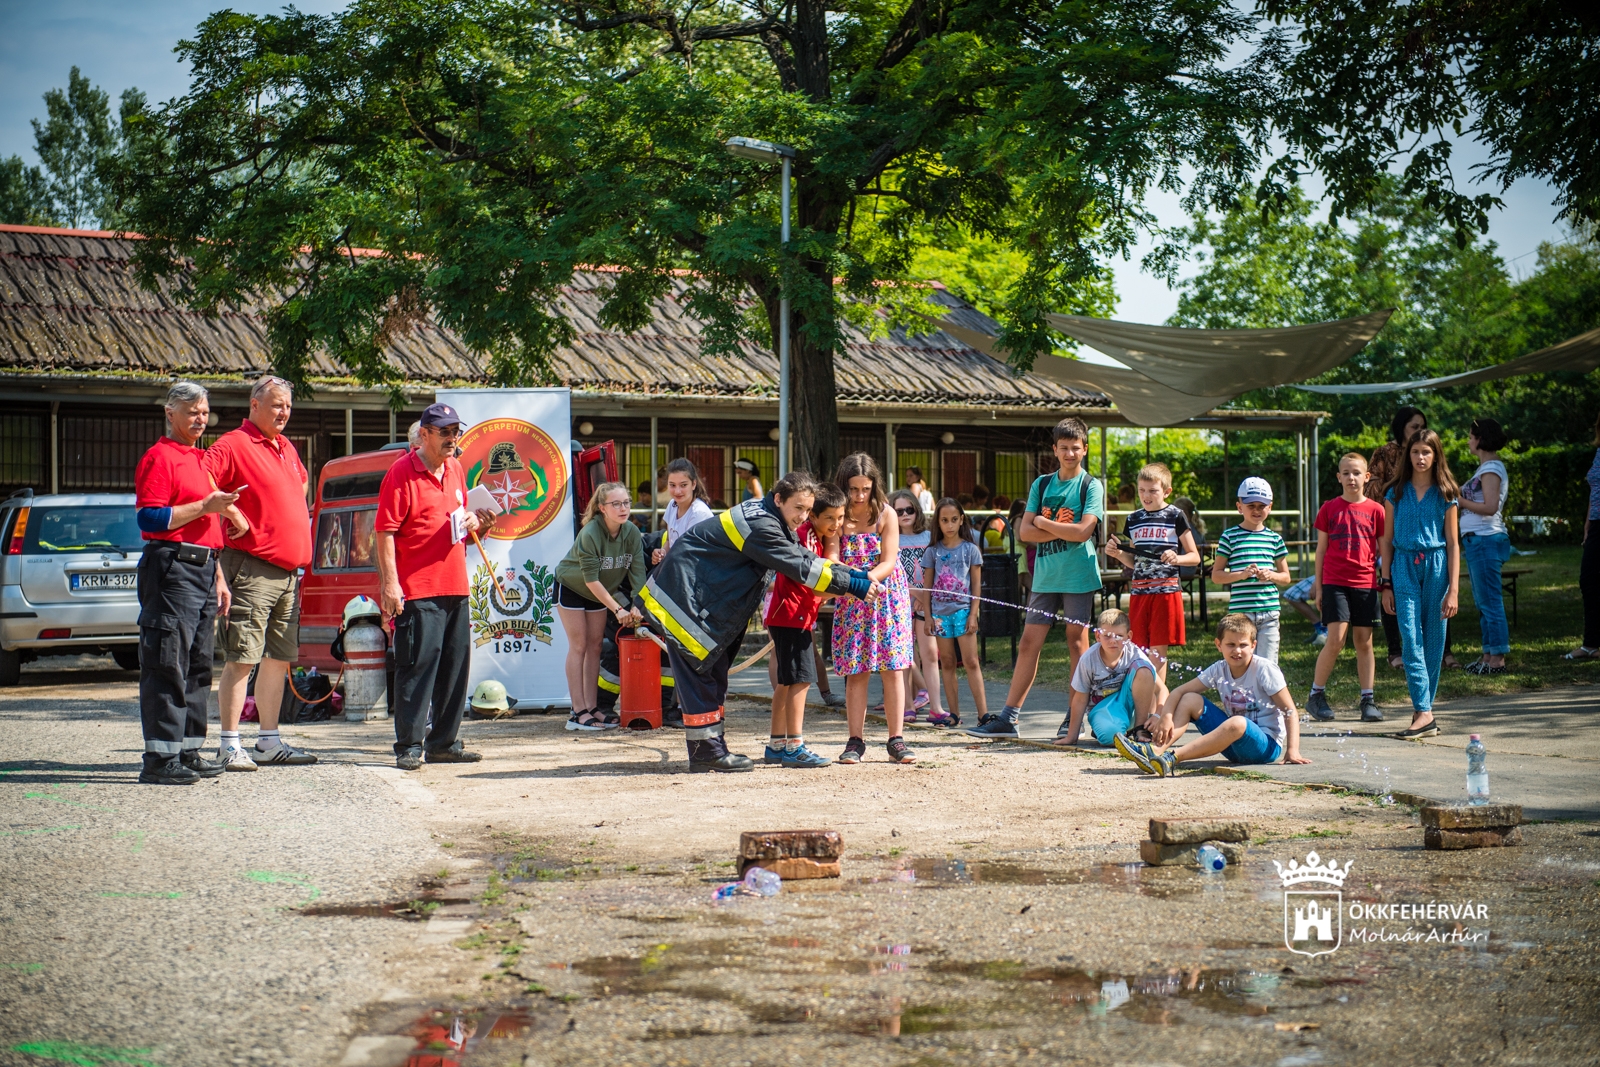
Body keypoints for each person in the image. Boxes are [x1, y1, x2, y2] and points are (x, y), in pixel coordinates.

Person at [639, 471, 881, 772]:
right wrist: (854, 587)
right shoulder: (763, 526)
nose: (803, 516)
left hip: (695, 597)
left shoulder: (767, 515)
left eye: (808, 510)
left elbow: (801, 557)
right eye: (799, 508)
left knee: (712, 674)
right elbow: (797, 567)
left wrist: (854, 575)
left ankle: (713, 748)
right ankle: (707, 753)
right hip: (684, 600)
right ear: (779, 499)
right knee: (701, 676)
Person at [204, 376, 318, 770]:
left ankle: (268, 741)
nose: (283, 412)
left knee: (278, 658)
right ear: (255, 405)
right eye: (276, 405)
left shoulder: (285, 445)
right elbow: (200, 478)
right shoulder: (233, 443)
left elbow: (301, 483)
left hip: (288, 572)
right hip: (252, 567)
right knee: (242, 656)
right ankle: (228, 743)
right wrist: (232, 510)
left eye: (287, 406)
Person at [132, 382, 244, 785]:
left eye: (204, 412)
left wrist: (218, 574)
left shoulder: (199, 459)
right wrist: (205, 505)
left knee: (198, 664)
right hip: (171, 567)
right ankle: (159, 759)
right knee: (167, 663)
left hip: (202, 567)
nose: (200, 419)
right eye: (192, 411)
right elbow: (148, 520)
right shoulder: (159, 457)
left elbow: (208, 526)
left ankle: (188, 749)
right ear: (170, 413)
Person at [375, 402, 496, 771]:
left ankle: (444, 742)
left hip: (456, 585)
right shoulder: (400, 472)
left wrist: (481, 524)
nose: (453, 439)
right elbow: (384, 532)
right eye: (445, 432)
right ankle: (409, 746)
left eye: (456, 432)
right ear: (424, 434)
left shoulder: (456, 468)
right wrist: (390, 585)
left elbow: (458, 525)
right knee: (418, 668)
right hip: (417, 588)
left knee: (455, 669)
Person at [972, 417, 1104, 738]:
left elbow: (1084, 531)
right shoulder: (1041, 485)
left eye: (1076, 448)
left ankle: (1074, 718)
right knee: (1030, 642)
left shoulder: (1091, 485)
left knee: (1077, 644)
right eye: (1064, 448)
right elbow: (1023, 530)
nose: (1070, 453)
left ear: (1084, 450)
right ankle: (1008, 717)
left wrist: (1044, 523)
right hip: (1044, 575)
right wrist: (1056, 527)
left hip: (1079, 575)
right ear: (1054, 450)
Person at [1113, 613, 1310, 776]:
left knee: (1237, 722)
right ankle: (1155, 751)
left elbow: (1290, 710)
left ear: (1253, 645)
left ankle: (1173, 757)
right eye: (1230, 645)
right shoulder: (1219, 669)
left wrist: (1292, 749)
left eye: (1243, 645)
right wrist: (1165, 716)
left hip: (1265, 747)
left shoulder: (1264, 669)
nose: (1237, 650)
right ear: (1219, 645)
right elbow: (1180, 691)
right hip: (1232, 744)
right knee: (1190, 699)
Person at [828, 453, 917, 764]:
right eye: (853, 489)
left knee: (893, 668)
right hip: (852, 597)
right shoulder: (837, 516)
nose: (860, 496)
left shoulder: (886, 513)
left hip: (885, 595)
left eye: (865, 488)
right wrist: (854, 584)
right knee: (857, 669)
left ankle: (896, 739)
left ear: (874, 486)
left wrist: (867, 580)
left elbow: (889, 561)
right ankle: (855, 741)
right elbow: (832, 557)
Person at [1379, 428, 1460, 739]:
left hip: (1437, 568)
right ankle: (1425, 713)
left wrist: (1453, 589)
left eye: (1427, 452)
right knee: (1410, 637)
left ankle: (1422, 711)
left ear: (1436, 455)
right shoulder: (1395, 493)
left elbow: (1453, 544)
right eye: (1415, 452)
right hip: (1403, 566)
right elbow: (1386, 540)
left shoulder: (1447, 493)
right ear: (1407, 455)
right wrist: (1385, 583)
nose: (1421, 457)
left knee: (1434, 641)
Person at [762, 482, 849, 768]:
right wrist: (852, 587)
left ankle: (776, 745)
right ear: (813, 517)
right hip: (791, 616)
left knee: (787, 682)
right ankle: (795, 745)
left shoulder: (815, 537)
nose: (836, 524)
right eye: (829, 518)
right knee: (800, 679)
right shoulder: (805, 538)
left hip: (791, 616)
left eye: (840, 517)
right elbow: (815, 586)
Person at [555, 482, 647, 730]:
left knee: (595, 646)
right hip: (573, 588)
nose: (623, 508)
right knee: (579, 645)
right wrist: (618, 609)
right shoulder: (590, 532)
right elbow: (590, 579)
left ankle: (593, 708)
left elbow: (638, 575)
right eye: (615, 504)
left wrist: (637, 605)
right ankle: (577, 712)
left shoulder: (632, 533)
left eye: (626, 502)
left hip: (599, 594)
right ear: (602, 508)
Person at [1305, 453, 1386, 723]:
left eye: (1356, 473)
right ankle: (1316, 696)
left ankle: (1367, 700)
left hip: (1366, 583)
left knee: (1364, 642)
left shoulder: (1377, 510)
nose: (1351, 478)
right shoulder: (1329, 508)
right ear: (1338, 477)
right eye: (1346, 473)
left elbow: (1384, 549)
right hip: (1335, 583)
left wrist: (1385, 583)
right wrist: (1319, 583)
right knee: (1336, 639)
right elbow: (1321, 549)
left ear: (1367, 477)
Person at [1104, 462, 1198, 685]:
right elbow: (1135, 561)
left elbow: (1194, 556)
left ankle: (1158, 709)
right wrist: (1117, 554)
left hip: (1165, 593)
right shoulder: (1133, 519)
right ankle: (1143, 705)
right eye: (1141, 490)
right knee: (1138, 651)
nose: (1146, 496)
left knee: (1157, 653)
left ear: (1166, 491)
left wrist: (1178, 558)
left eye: (1152, 490)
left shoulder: (1175, 515)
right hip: (1139, 593)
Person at [1369, 407, 1428, 670]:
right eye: (1413, 426)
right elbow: (1371, 490)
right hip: (1389, 529)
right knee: (1389, 587)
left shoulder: (1427, 450)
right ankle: (1395, 651)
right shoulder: (1384, 453)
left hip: (1422, 532)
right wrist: (1399, 482)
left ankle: (1438, 649)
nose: (1418, 432)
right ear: (1401, 427)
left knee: (1431, 590)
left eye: (1422, 427)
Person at [923, 498, 989, 728]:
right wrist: (929, 616)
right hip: (940, 615)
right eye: (944, 520)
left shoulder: (971, 550)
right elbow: (927, 587)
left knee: (971, 661)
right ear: (938, 523)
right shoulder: (932, 552)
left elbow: (977, 586)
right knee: (948, 662)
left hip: (963, 611)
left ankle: (983, 715)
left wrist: (974, 614)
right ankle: (953, 714)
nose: (950, 525)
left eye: (954, 519)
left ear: (961, 520)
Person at [1057, 609, 1162, 747]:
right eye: (1107, 635)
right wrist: (1072, 737)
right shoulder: (1088, 659)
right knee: (1111, 738)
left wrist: (1158, 715)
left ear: (1128, 636)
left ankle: (1140, 729)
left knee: (1144, 670)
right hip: (1103, 709)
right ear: (1098, 636)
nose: (1113, 641)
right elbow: (1080, 698)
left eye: (1119, 636)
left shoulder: (1135, 653)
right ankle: (1109, 728)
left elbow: (1161, 690)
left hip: (1131, 707)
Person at [1211, 477, 1290, 663]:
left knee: (1268, 664)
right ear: (1239, 507)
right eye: (1251, 505)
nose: (1256, 510)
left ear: (1269, 507)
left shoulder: (1275, 539)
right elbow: (1216, 576)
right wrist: (1242, 575)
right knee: (1241, 663)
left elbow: (1286, 577)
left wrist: (1270, 575)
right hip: (1240, 614)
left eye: (1261, 506)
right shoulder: (1229, 537)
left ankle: (1264, 693)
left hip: (1269, 612)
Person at [1458, 418, 1512, 674]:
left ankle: (1498, 658)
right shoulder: (1485, 468)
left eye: (1470, 436)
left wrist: (1459, 500)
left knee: (1491, 601)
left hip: (1486, 539)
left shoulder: (1491, 468)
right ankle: (1488, 654)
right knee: (1484, 601)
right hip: (1478, 540)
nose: (1468, 440)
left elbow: (1490, 507)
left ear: (1480, 439)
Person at [890, 489, 945, 724]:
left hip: (927, 603)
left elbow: (937, 567)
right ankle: (908, 706)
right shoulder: (890, 538)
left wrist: (927, 594)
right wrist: (915, 592)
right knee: (904, 655)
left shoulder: (928, 537)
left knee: (930, 654)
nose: (904, 514)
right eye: (898, 511)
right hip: (900, 602)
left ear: (917, 510)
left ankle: (936, 706)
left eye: (909, 509)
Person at [1570, 412, 1600, 661]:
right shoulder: (1599, 451)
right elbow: (1595, 490)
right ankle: (1591, 644)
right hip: (1597, 525)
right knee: (1589, 581)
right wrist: (1588, 523)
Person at [654, 457, 715, 565]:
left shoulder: (699, 513)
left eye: (683, 485)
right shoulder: (672, 505)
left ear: (694, 484)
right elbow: (669, 541)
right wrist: (662, 553)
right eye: (672, 485)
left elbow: (690, 555)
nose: (677, 491)